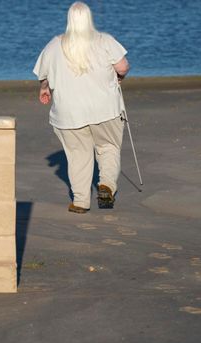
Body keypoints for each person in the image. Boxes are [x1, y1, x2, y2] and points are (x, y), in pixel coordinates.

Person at [33, 1, 130, 214]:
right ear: (89, 19)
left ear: (69, 20)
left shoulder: (54, 45)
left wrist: (44, 88)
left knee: (78, 155)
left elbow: (44, 75)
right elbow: (123, 66)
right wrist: (119, 77)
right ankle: (106, 186)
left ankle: (80, 201)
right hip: (105, 110)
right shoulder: (105, 40)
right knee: (108, 148)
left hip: (69, 113)